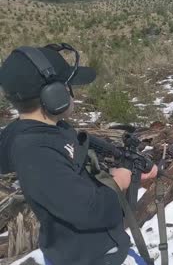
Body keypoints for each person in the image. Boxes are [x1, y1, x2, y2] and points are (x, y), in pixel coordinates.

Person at [0, 44, 157, 265]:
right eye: (67, 87)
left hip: (100, 249)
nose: (72, 92)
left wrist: (127, 164)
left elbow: (78, 151)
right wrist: (119, 182)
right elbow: (89, 211)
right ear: (54, 97)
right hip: (89, 257)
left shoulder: (51, 129)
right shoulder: (35, 153)